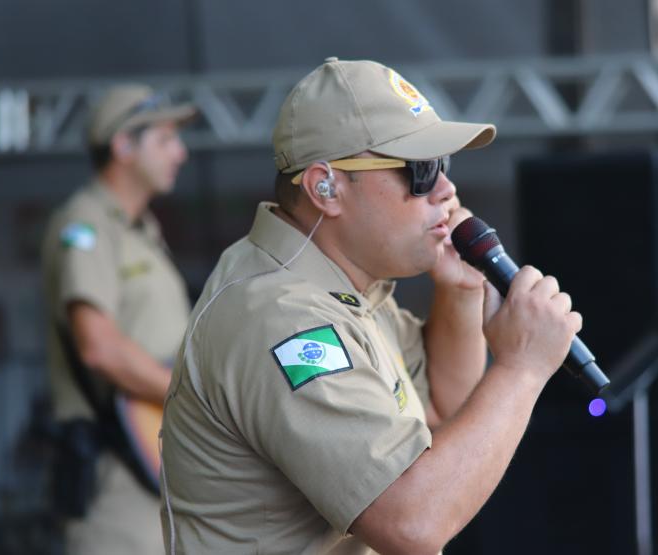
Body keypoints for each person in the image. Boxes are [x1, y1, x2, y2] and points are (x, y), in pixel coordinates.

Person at [159, 57, 583, 554]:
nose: (446, 191)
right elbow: (413, 522)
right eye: (422, 171)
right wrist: (523, 368)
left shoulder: (342, 287)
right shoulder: (283, 316)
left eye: (444, 166)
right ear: (326, 187)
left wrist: (462, 290)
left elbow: (444, 413)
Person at [41, 84, 195, 554]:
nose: (182, 152)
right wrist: (197, 402)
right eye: (165, 138)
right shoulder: (85, 223)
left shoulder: (142, 230)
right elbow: (98, 346)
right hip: (115, 475)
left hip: (152, 460)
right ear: (123, 146)